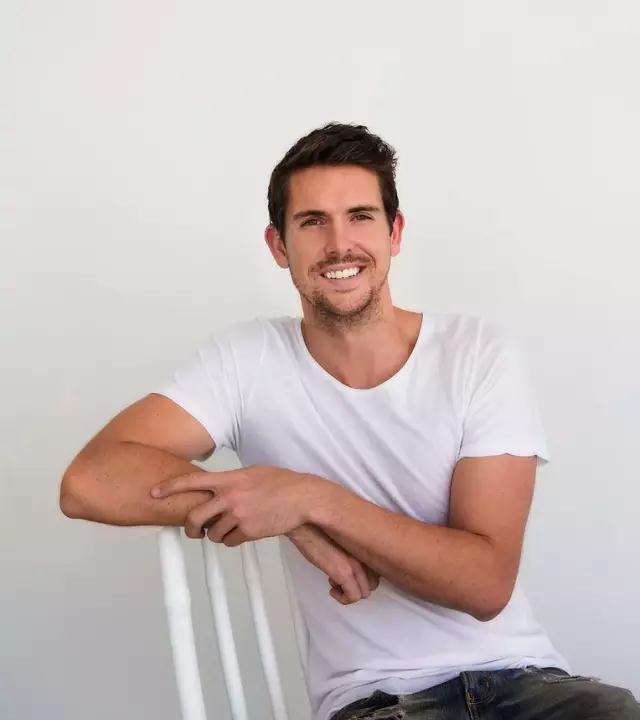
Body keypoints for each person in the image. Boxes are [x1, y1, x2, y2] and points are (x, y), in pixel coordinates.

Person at [60, 122, 639, 720]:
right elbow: (89, 481)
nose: (340, 245)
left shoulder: (478, 353)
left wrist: (309, 501)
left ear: (395, 232)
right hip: (378, 703)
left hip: (528, 686)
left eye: (360, 217)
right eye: (313, 222)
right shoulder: (246, 361)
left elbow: (484, 584)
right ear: (278, 245)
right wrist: (278, 510)